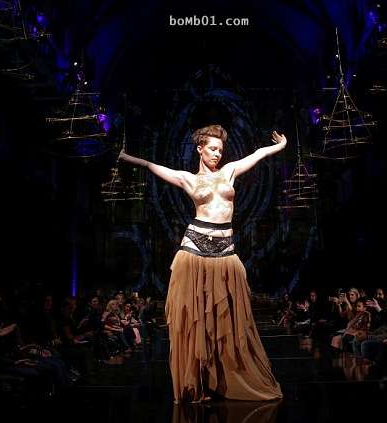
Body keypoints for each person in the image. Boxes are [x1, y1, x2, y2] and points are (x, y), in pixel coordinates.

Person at [118, 124, 285, 403]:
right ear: (200, 149)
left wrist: (279, 147)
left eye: (220, 150)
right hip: (194, 248)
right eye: (212, 149)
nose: (217, 154)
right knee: (195, 318)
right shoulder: (187, 179)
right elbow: (152, 166)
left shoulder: (229, 171)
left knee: (228, 318)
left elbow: (257, 154)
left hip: (225, 249)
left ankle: (224, 378)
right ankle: (196, 381)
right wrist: (126, 157)